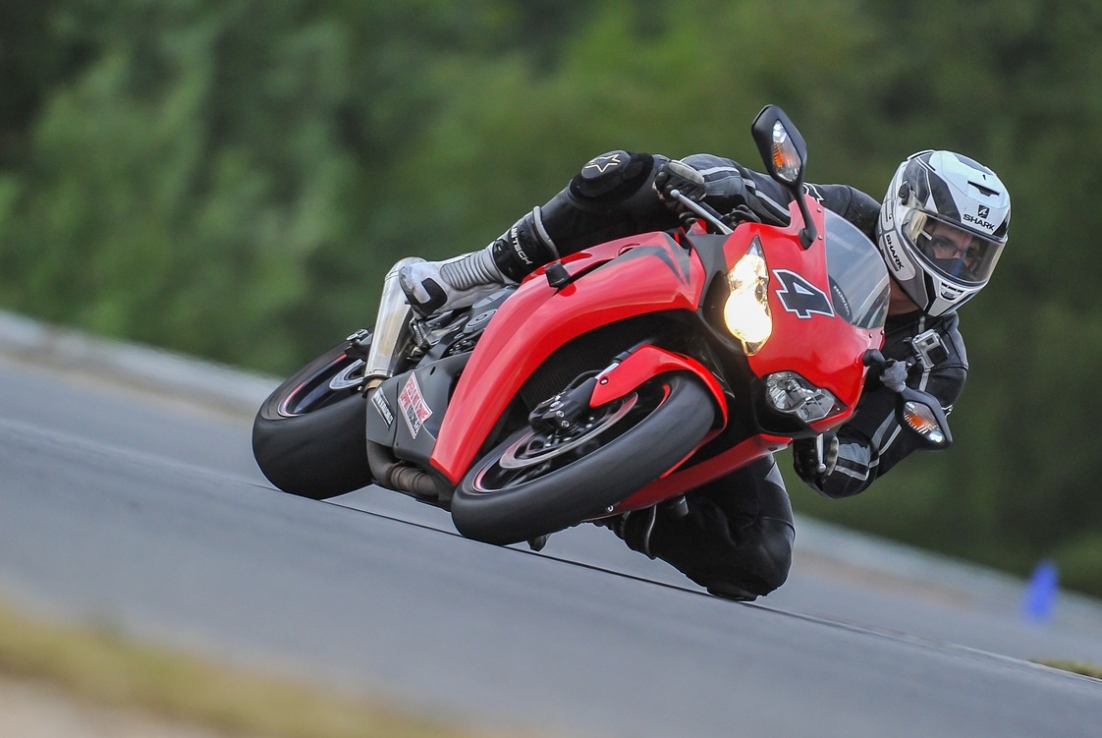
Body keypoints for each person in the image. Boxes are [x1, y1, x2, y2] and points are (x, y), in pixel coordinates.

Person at [400, 147, 1011, 601]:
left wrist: (833, 420)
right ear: (905, 216)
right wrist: (727, 182)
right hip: (712, 308)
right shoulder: (846, 210)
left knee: (761, 558)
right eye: (942, 240)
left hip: (751, 411)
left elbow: (850, 468)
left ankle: (611, 490)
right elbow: (774, 208)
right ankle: (468, 273)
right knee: (632, 172)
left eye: (971, 253)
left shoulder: (937, 364)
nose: (953, 261)